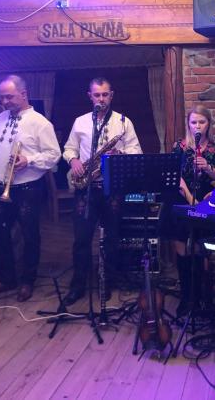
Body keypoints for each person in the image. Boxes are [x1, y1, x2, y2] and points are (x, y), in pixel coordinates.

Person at [62, 77, 142, 306]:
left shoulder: (123, 122)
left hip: (112, 188)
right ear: (90, 96)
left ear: (111, 95)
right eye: (97, 95)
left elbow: (136, 151)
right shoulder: (80, 122)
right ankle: (78, 285)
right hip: (86, 187)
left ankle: (107, 282)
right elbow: (68, 148)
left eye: (105, 94)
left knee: (112, 238)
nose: (101, 99)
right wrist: (74, 160)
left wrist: (120, 156)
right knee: (81, 238)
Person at [0, 74, 61, 302]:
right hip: (1, 186)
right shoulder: (0, 118)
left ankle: (28, 280)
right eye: (2, 97)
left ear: (24, 94)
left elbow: (54, 155)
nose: (5, 101)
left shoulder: (40, 122)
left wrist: (29, 160)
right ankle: (7, 277)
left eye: (9, 97)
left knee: (30, 235)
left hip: (28, 188)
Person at [161, 105, 215, 316]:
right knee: (182, 248)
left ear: (208, 124)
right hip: (181, 196)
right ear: (188, 124)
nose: (197, 126)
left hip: (204, 197)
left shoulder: (214, 148)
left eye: (202, 122)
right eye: (194, 122)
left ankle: (201, 297)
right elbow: (176, 176)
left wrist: (207, 167)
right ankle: (187, 297)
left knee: (199, 248)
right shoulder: (180, 146)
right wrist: (191, 199)